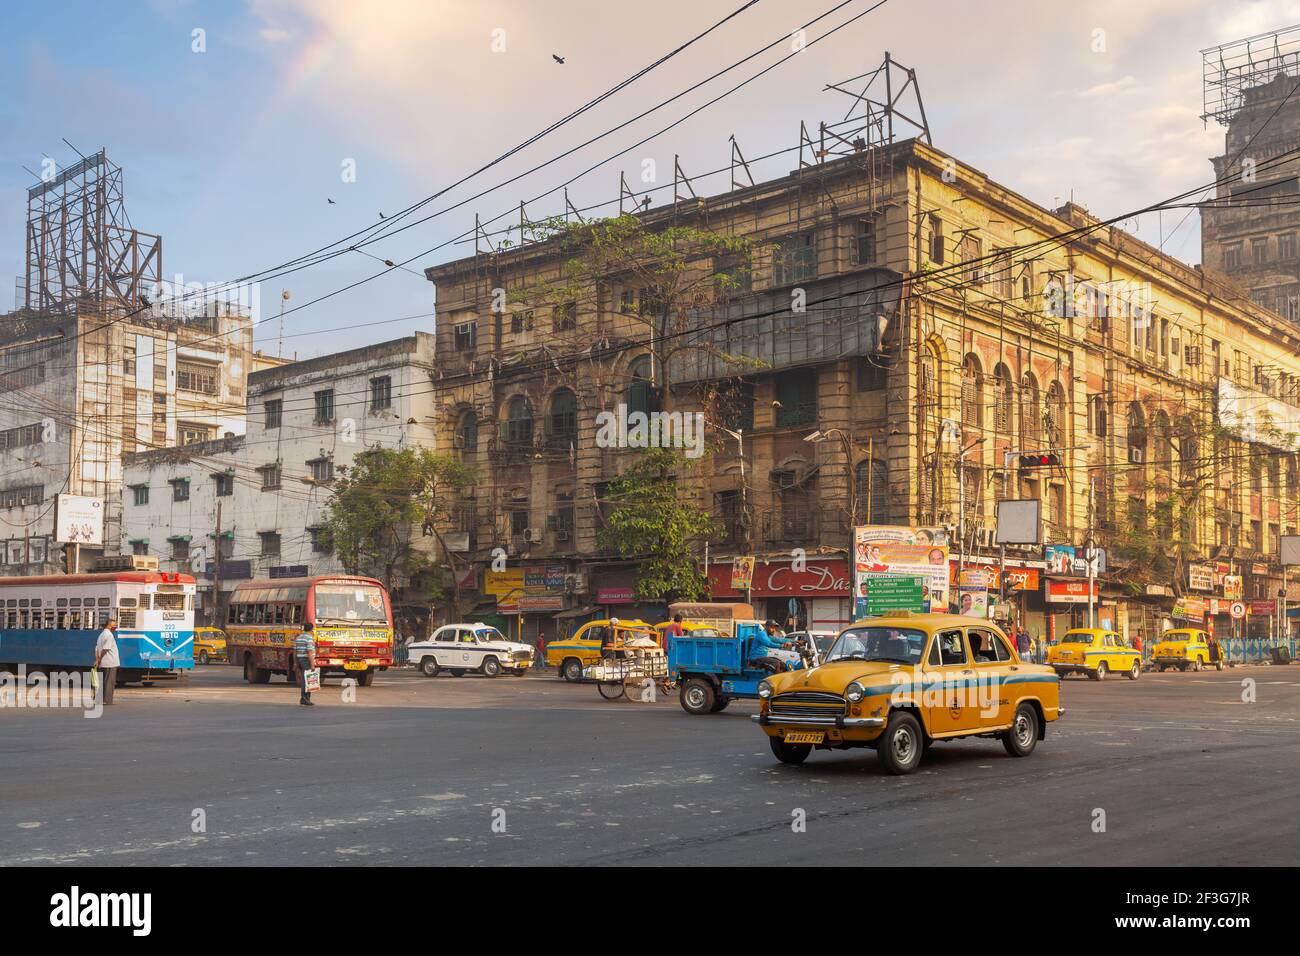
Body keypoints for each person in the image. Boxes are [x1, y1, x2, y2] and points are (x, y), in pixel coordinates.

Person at [94, 618, 120, 706]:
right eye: (114, 625)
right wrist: (99, 659)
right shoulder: (109, 635)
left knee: (103, 682)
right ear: (109, 625)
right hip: (110, 662)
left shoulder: (101, 635)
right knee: (109, 682)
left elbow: (97, 649)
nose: (115, 627)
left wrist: (97, 660)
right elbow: (106, 649)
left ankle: (99, 699)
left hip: (104, 663)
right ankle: (106, 700)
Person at [294, 622, 317, 706]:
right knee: (307, 680)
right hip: (306, 660)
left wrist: (295, 663)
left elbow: (295, 652)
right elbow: (309, 652)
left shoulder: (298, 638)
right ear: (311, 630)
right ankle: (305, 699)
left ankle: (304, 698)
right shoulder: (309, 638)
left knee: (305, 679)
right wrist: (312, 664)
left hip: (300, 659)